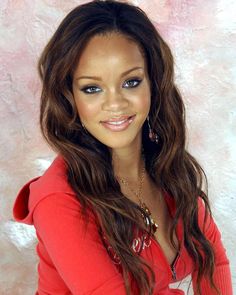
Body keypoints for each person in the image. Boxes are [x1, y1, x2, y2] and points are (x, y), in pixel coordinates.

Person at [13, 0, 232, 294]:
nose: (115, 104)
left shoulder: (167, 167)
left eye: (130, 82)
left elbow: (212, 262)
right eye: (92, 88)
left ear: (153, 83)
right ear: (69, 97)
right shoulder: (58, 199)